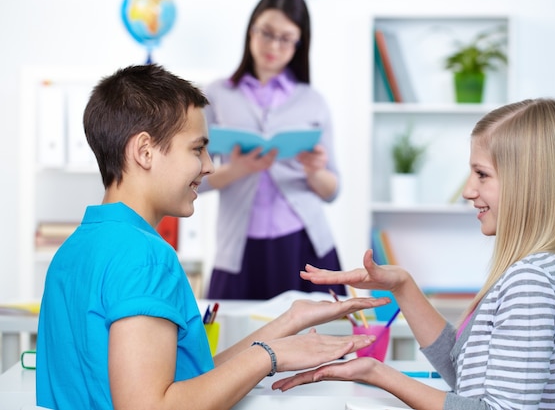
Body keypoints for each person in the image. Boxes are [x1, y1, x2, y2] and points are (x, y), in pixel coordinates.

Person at [35, 64, 390, 410]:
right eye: (197, 148)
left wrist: (287, 323)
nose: (210, 166)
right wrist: (271, 357)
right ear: (144, 151)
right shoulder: (145, 257)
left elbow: (189, 384)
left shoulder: (73, 251)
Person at [273, 98, 555, 410]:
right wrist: (402, 285)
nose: (468, 190)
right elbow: (467, 377)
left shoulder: (531, 282)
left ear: (529, 182)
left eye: (482, 174)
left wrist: (377, 374)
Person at [198, 0, 346, 300]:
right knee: (234, 341)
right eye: (267, 33)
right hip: (239, 248)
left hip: (303, 244)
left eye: (287, 38)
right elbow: (193, 181)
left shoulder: (312, 101)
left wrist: (314, 171)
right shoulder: (215, 94)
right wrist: (235, 170)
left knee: (316, 339)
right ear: (251, 29)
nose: (274, 46)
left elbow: (332, 191)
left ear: (300, 43)